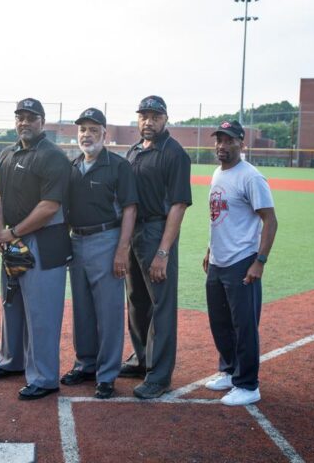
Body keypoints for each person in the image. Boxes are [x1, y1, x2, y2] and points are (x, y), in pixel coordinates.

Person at [0, 98, 72, 400]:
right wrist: (2, 233)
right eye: (20, 117)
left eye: (31, 117)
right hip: (13, 239)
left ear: (42, 121)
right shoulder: (7, 154)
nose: (25, 122)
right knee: (12, 304)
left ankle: (44, 377)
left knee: (41, 313)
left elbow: (49, 207)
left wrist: (13, 233)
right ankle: (12, 361)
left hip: (45, 241)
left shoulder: (53, 157)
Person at [61, 108, 137, 400]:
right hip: (77, 240)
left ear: (105, 134)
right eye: (83, 130)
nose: (87, 135)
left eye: (93, 130)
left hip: (107, 239)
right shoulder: (73, 165)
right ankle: (86, 364)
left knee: (108, 312)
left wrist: (122, 249)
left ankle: (106, 374)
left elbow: (130, 208)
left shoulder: (118, 165)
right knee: (82, 309)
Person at [203, 120, 277, 406]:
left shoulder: (251, 177)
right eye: (219, 140)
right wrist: (210, 249)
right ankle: (229, 370)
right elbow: (219, 216)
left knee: (244, 325)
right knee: (220, 322)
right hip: (219, 260)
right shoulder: (217, 174)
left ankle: (248, 384)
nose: (222, 145)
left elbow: (270, 220)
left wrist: (259, 261)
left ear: (241, 144)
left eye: (228, 140)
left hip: (242, 261)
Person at [122, 95, 192, 399]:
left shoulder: (174, 153)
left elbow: (178, 205)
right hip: (133, 230)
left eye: (154, 116)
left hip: (156, 230)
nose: (148, 122)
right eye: (143, 116)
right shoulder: (134, 151)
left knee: (161, 304)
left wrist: (163, 251)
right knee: (137, 300)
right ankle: (141, 358)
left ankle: (160, 375)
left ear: (165, 119)